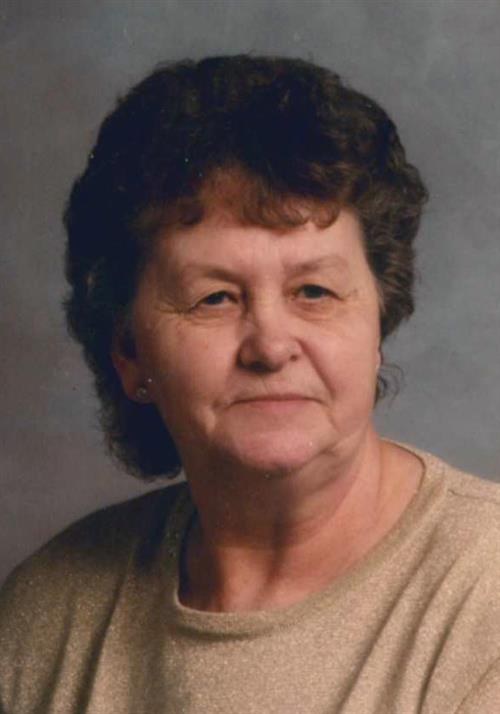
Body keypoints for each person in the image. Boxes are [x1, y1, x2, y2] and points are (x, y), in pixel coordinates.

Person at [1, 54, 499, 714]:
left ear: (377, 324)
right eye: (214, 298)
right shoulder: (46, 616)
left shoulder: (485, 596)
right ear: (129, 352)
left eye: (314, 291)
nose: (270, 345)